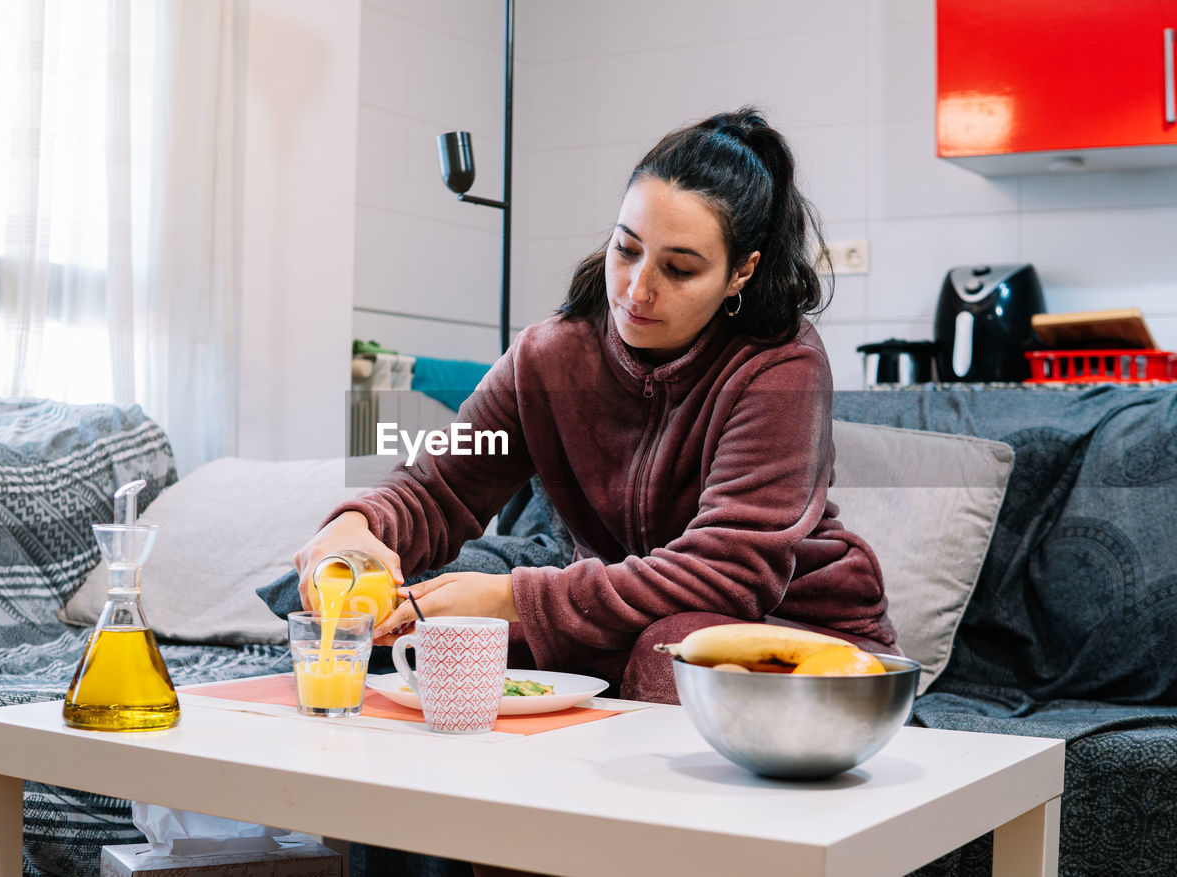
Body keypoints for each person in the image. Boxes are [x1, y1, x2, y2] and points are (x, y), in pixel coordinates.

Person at [295, 106, 900, 706]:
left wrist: (507, 596)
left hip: (799, 635)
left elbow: (730, 573)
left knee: (676, 649)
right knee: (405, 643)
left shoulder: (780, 367)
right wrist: (355, 529)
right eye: (626, 249)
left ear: (741, 272)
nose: (637, 289)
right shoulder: (548, 358)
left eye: (679, 268)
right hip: (622, 625)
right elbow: (437, 485)